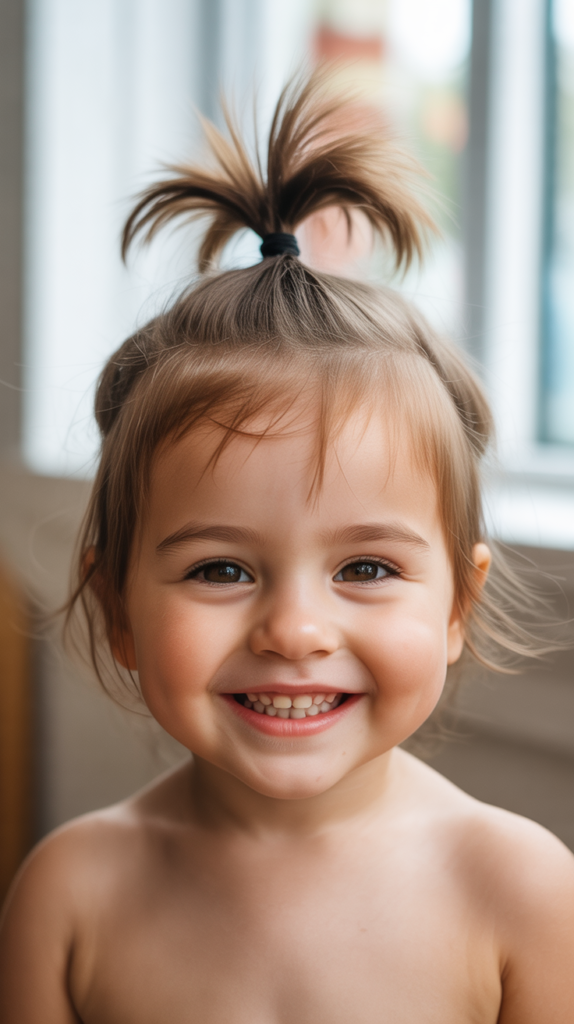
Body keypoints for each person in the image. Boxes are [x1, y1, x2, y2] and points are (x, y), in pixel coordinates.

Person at [1, 71, 573, 1024]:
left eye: (366, 568)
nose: (296, 629)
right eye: (221, 568)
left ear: (458, 608)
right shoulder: (69, 895)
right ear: (116, 611)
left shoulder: (523, 896)